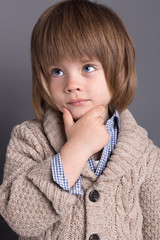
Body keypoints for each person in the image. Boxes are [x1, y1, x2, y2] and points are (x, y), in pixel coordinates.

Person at [0, 0, 159, 239]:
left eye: (87, 67)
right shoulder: (30, 139)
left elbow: (154, 228)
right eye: (57, 71)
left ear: (118, 69)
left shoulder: (145, 155)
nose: (72, 85)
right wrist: (76, 149)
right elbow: (20, 220)